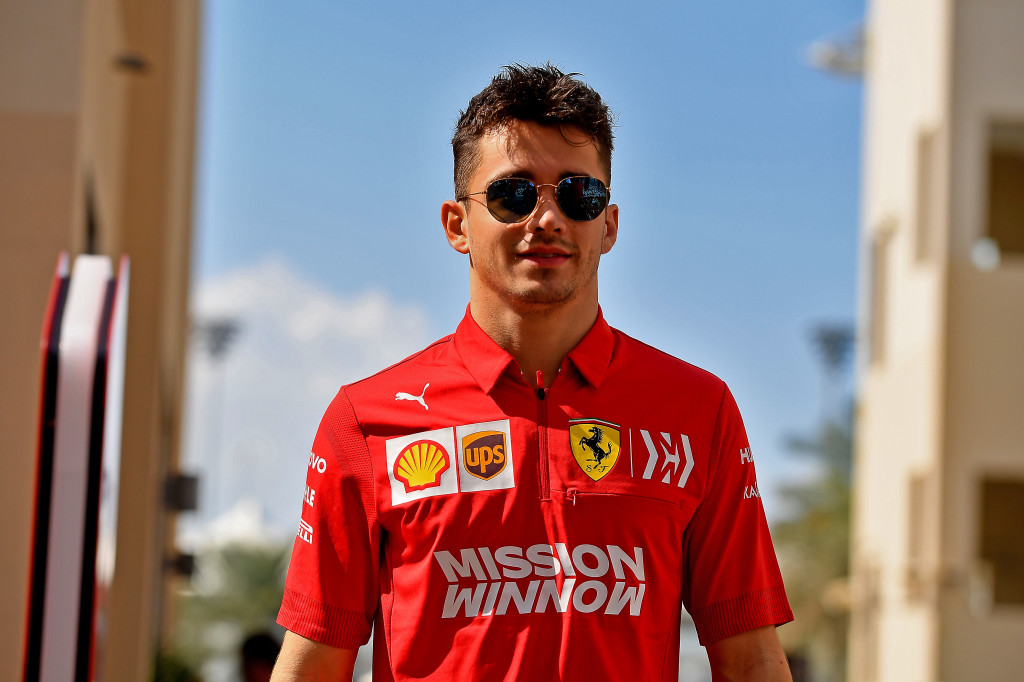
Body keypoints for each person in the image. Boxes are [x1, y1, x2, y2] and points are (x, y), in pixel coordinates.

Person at [271, 63, 794, 681]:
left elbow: (751, 659)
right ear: (457, 225)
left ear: (608, 225)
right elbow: (312, 665)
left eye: (579, 194)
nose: (547, 218)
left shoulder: (698, 410)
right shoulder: (365, 420)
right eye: (513, 194)